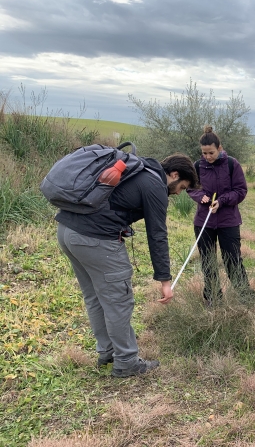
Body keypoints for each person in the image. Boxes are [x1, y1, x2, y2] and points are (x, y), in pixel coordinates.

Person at [56, 153, 198, 376]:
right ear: (174, 174)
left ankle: (108, 352)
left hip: (67, 231)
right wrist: (165, 280)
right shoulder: (155, 185)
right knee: (118, 300)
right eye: (182, 186)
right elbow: (157, 235)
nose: (179, 192)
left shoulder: (140, 171)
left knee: (94, 296)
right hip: (94, 238)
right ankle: (126, 361)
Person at [187, 126, 252, 302]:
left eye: (211, 153)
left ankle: (245, 297)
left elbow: (241, 190)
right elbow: (191, 187)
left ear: (220, 148)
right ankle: (213, 300)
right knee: (208, 263)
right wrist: (201, 197)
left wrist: (221, 201)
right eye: (204, 153)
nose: (207, 157)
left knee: (232, 260)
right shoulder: (198, 166)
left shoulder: (232, 164)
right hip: (203, 221)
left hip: (228, 221)